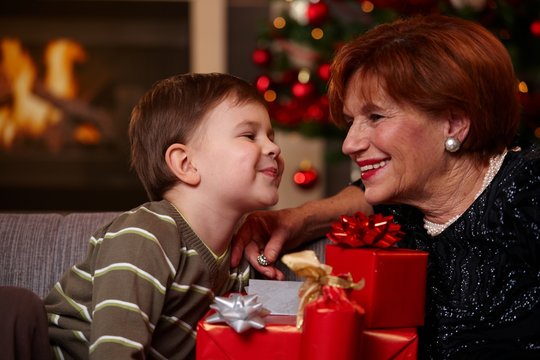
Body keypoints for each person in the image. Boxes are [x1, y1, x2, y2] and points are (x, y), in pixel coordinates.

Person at [232, 14, 540, 359]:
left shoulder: (529, 190)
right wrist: (298, 218)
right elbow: (362, 195)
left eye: (375, 117)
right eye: (351, 121)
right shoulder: (400, 209)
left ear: (453, 123)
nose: (350, 144)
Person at [0, 72, 283, 359]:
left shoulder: (235, 258)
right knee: (16, 307)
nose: (274, 147)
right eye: (250, 135)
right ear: (186, 163)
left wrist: (264, 262)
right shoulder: (146, 235)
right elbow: (115, 353)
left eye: (270, 136)